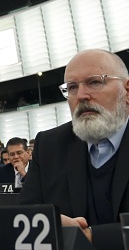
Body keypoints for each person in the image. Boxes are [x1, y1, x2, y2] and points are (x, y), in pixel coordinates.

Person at [19, 49, 129, 250]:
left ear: (127, 91)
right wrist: (47, 222)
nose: (81, 96)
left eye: (95, 82)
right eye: (71, 87)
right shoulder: (49, 145)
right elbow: (22, 219)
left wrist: (90, 236)